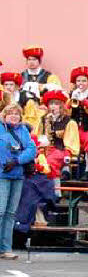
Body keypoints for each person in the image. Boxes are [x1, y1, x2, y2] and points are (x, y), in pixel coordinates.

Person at [0, 102, 37, 259]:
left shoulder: (23, 130)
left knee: (10, 213)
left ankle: (5, 248)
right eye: (11, 113)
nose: (14, 116)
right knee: (0, 211)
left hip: (17, 174)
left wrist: (17, 161)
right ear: (4, 115)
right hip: (2, 174)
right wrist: (4, 163)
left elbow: (31, 149)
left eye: (17, 113)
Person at [39, 90, 80, 181]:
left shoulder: (69, 121)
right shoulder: (44, 119)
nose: (53, 106)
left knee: (49, 162)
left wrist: (67, 153)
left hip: (61, 150)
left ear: (61, 105)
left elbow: (71, 142)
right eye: (51, 104)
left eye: (56, 104)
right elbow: (39, 136)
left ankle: (56, 191)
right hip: (45, 149)